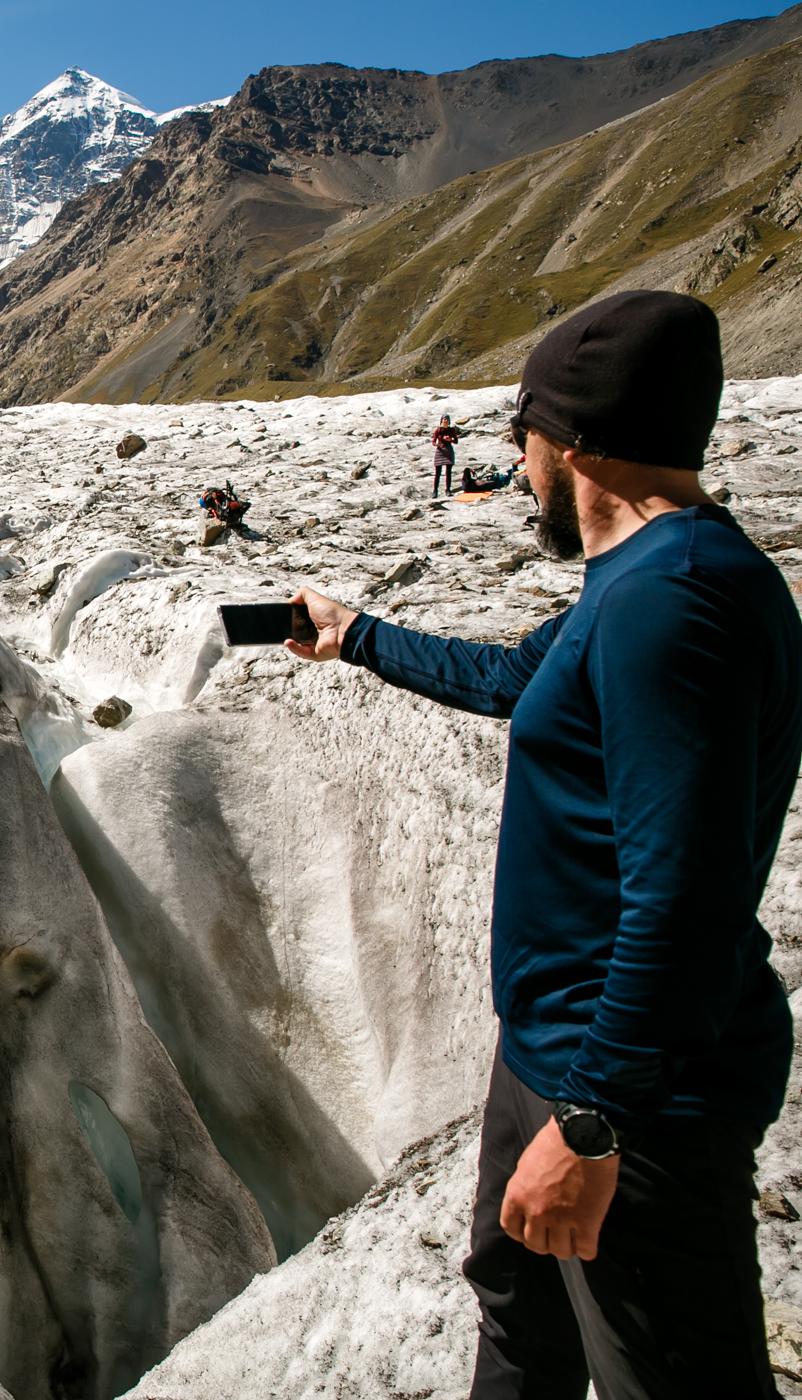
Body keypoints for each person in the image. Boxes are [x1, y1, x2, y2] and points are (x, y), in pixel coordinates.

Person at [286, 290, 801, 1400]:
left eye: (523, 439)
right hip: (553, 1053)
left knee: (666, 1370)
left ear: (574, 442)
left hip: (634, 1099)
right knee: (521, 1321)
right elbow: (520, 677)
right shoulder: (638, 581)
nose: (518, 468)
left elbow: (686, 902)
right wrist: (357, 637)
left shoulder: (681, 604)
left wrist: (593, 1122)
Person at [433, 414, 463, 497]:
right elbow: (433, 441)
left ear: (449, 421)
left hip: (448, 450)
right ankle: (435, 490)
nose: (445, 421)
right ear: (441, 421)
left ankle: (448, 489)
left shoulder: (451, 430)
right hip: (440, 451)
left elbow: (456, 441)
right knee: (437, 473)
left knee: (448, 472)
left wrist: (450, 440)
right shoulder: (438, 430)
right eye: (444, 419)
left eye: (447, 419)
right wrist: (437, 445)